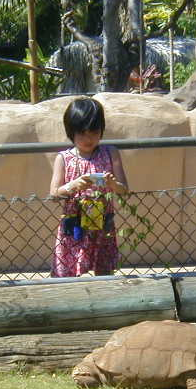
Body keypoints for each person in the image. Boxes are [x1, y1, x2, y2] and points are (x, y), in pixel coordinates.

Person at [50, 98, 129, 277]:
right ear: (71, 132)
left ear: (101, 130)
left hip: (103, 222)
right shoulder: (63, 158)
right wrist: (73, 185)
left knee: (104, 272)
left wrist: (112, 184)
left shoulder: (111, 153)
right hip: (74, 224)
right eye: (82, 133)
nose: (88, 139)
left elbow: (124, 189)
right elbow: (54, 193)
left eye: (93, 132)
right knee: (67, 273)